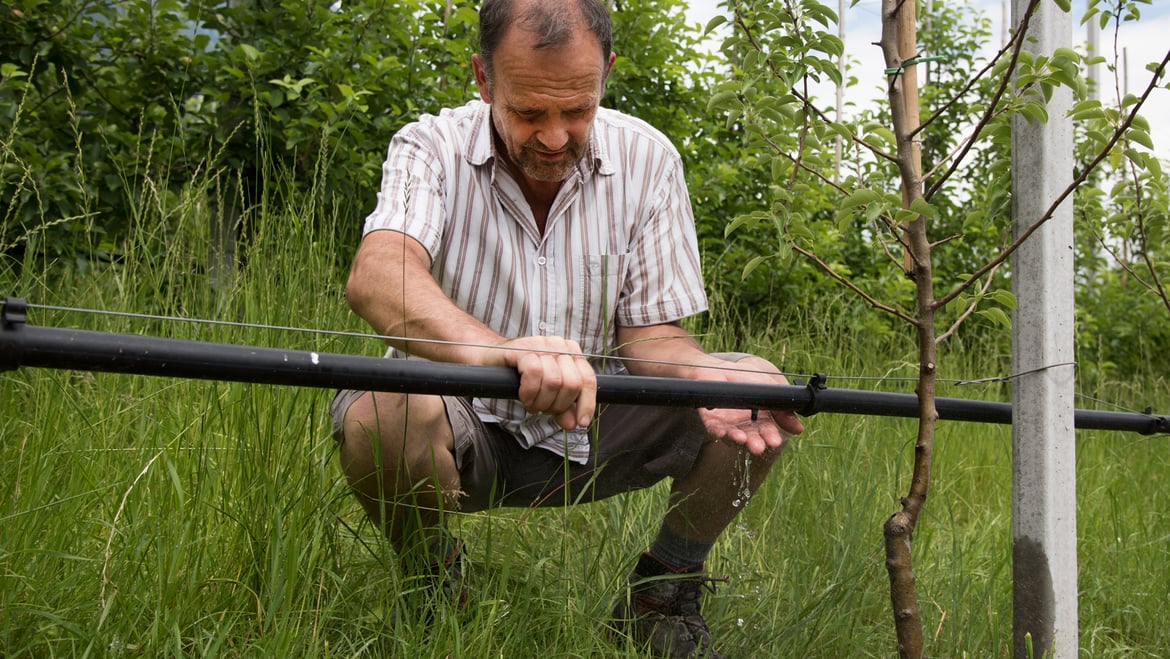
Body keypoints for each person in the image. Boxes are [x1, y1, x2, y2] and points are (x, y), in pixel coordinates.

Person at [330, 0, 805, 656]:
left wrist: (706, 374)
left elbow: (651, 336)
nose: (553, 136)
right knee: (380, 415)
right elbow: (378, 275)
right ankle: (437, 587)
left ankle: (659, 594)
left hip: (597, 422)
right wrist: (502, 353)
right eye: (528, 111)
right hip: (462, 421)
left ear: (607, 72)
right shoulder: (429, 146)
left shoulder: (650, 161)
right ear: (482, 78)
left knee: (757, 397)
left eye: (577, 109)